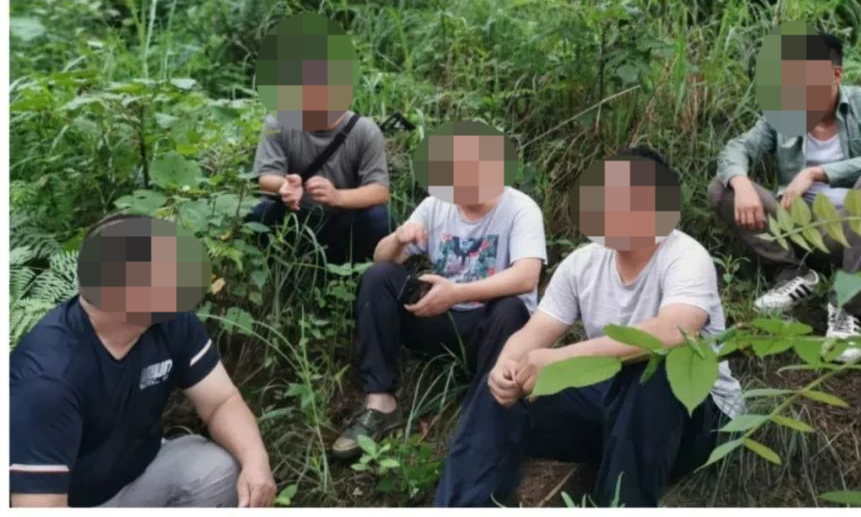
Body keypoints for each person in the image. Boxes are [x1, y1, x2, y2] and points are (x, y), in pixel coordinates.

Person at [434, 146, 744, 508]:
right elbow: (534, 333)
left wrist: (560, 359)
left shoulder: (686, 256)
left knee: (654, 366)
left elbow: (674, 332)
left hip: (699, 419)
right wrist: (505, 369)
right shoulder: (582, 264)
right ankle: (461, 505)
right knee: (507, 385)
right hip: (616, 414)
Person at [9, 215, 275, 508]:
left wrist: (256, 460)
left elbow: (221, 402)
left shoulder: (169, 320)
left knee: (217, 469)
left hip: (137, 474)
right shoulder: (47, 379)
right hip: (69, 501)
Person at [332, 123, 545, 454]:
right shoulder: (435, 206)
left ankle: (485, 413)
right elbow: (382, 258)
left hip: (489, 328)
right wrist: (399, 237)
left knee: (511, 308)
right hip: (437, 316)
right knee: (379, 277)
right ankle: (380, 402)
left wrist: (457, 293)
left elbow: (526, 277)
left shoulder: (520, 208)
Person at [709, 31, 861, 361]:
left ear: (836, 74)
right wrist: (740, 183)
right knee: (722, 187)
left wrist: (815, 173)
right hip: (797, 228)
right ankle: (794, 274)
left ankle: (847, 307)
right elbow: (738, 148)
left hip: (856, 232)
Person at [249, 102, 391, 267]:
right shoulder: (278, 122)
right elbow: (266, 176)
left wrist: (337, 197)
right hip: (293, 217)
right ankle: (271, 271)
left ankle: (357, 273)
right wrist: (285, 185)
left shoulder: (364, 130)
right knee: (258, 210)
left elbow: (379, 191)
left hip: (342, 220)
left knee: (379, 217)